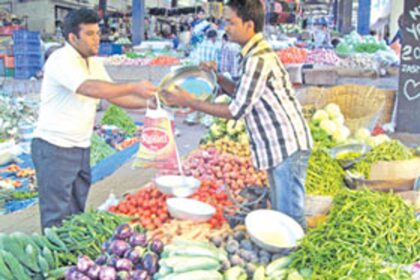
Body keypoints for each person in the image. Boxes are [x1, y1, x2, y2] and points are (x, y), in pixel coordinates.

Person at [163, 0, 312, 229]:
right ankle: (289, 255)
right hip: (279, 146)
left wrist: (189, 101)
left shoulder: (257, 59)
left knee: (290, 217)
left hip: (287, 146)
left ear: (249, 25)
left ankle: (297, 258)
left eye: (231, 22)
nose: (226, 28)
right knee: (283, 213)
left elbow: (235, 110)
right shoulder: (252, 54)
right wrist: (219, 79)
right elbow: (244, 94)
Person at [31, 8, 158, 231]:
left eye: (98, 33)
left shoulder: (93, 62)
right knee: (56, 215)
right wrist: (134, 85)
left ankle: (73, 259)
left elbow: (113, 94)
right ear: (73, 37)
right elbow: (88, 87)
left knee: (77, 211)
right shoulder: (61, 59)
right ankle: (54, 262)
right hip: (55, 148)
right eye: (90, 34)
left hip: (81, 147)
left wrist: (150, 103)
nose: (96, 39)